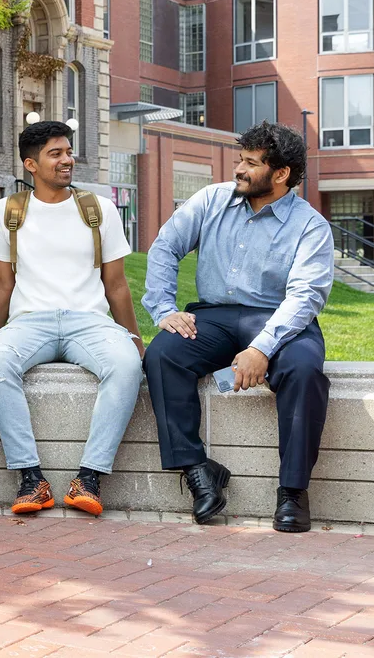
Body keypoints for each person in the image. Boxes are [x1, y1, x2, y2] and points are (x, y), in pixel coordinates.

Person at [142, 121, 334, 533]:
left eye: (251, 163)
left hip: (281, 318)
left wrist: (261, 349)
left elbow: (305, 297)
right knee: (162, 354)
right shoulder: (212, 200)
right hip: (213, 316)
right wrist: (162, 309)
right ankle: (198, 470)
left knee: (303, 371)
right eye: (240, 160)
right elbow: (165, 246)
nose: (239, 170)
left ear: (280, 174)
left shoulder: (310, 226)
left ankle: (293, 493)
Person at [0, 121, 144, 517]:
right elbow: (1, 285)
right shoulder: (7, 211)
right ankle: (30, 478)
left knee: (125, 365)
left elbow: (116, 284)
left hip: (88, 320)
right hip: (29, 321)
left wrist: (135, 339)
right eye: (56, 154)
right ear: (30, 164)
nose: (67, 160)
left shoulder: (98, 209)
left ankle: (88, 478)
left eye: (68, 152)